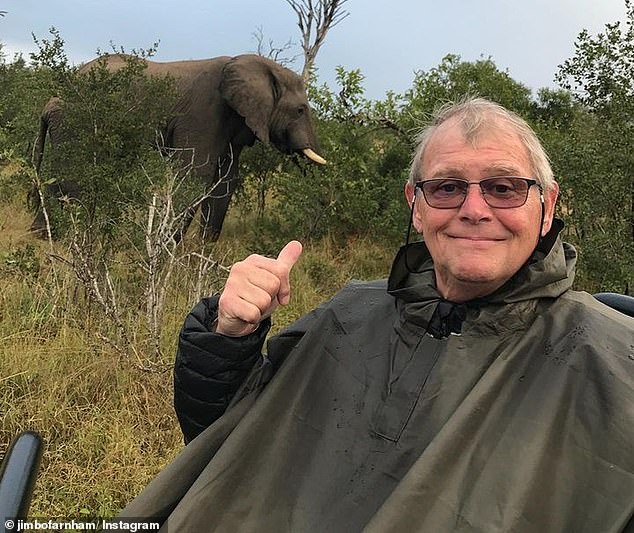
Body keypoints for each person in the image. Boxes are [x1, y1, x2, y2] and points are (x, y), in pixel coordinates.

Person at [119, 97, 634, 532]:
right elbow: (223, 435)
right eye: (447, 187)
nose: (475, 209)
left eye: (504, 188)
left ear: (547, 204)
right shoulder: (350, 310)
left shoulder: (612, 359)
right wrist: (228, 335)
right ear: (415, 203)